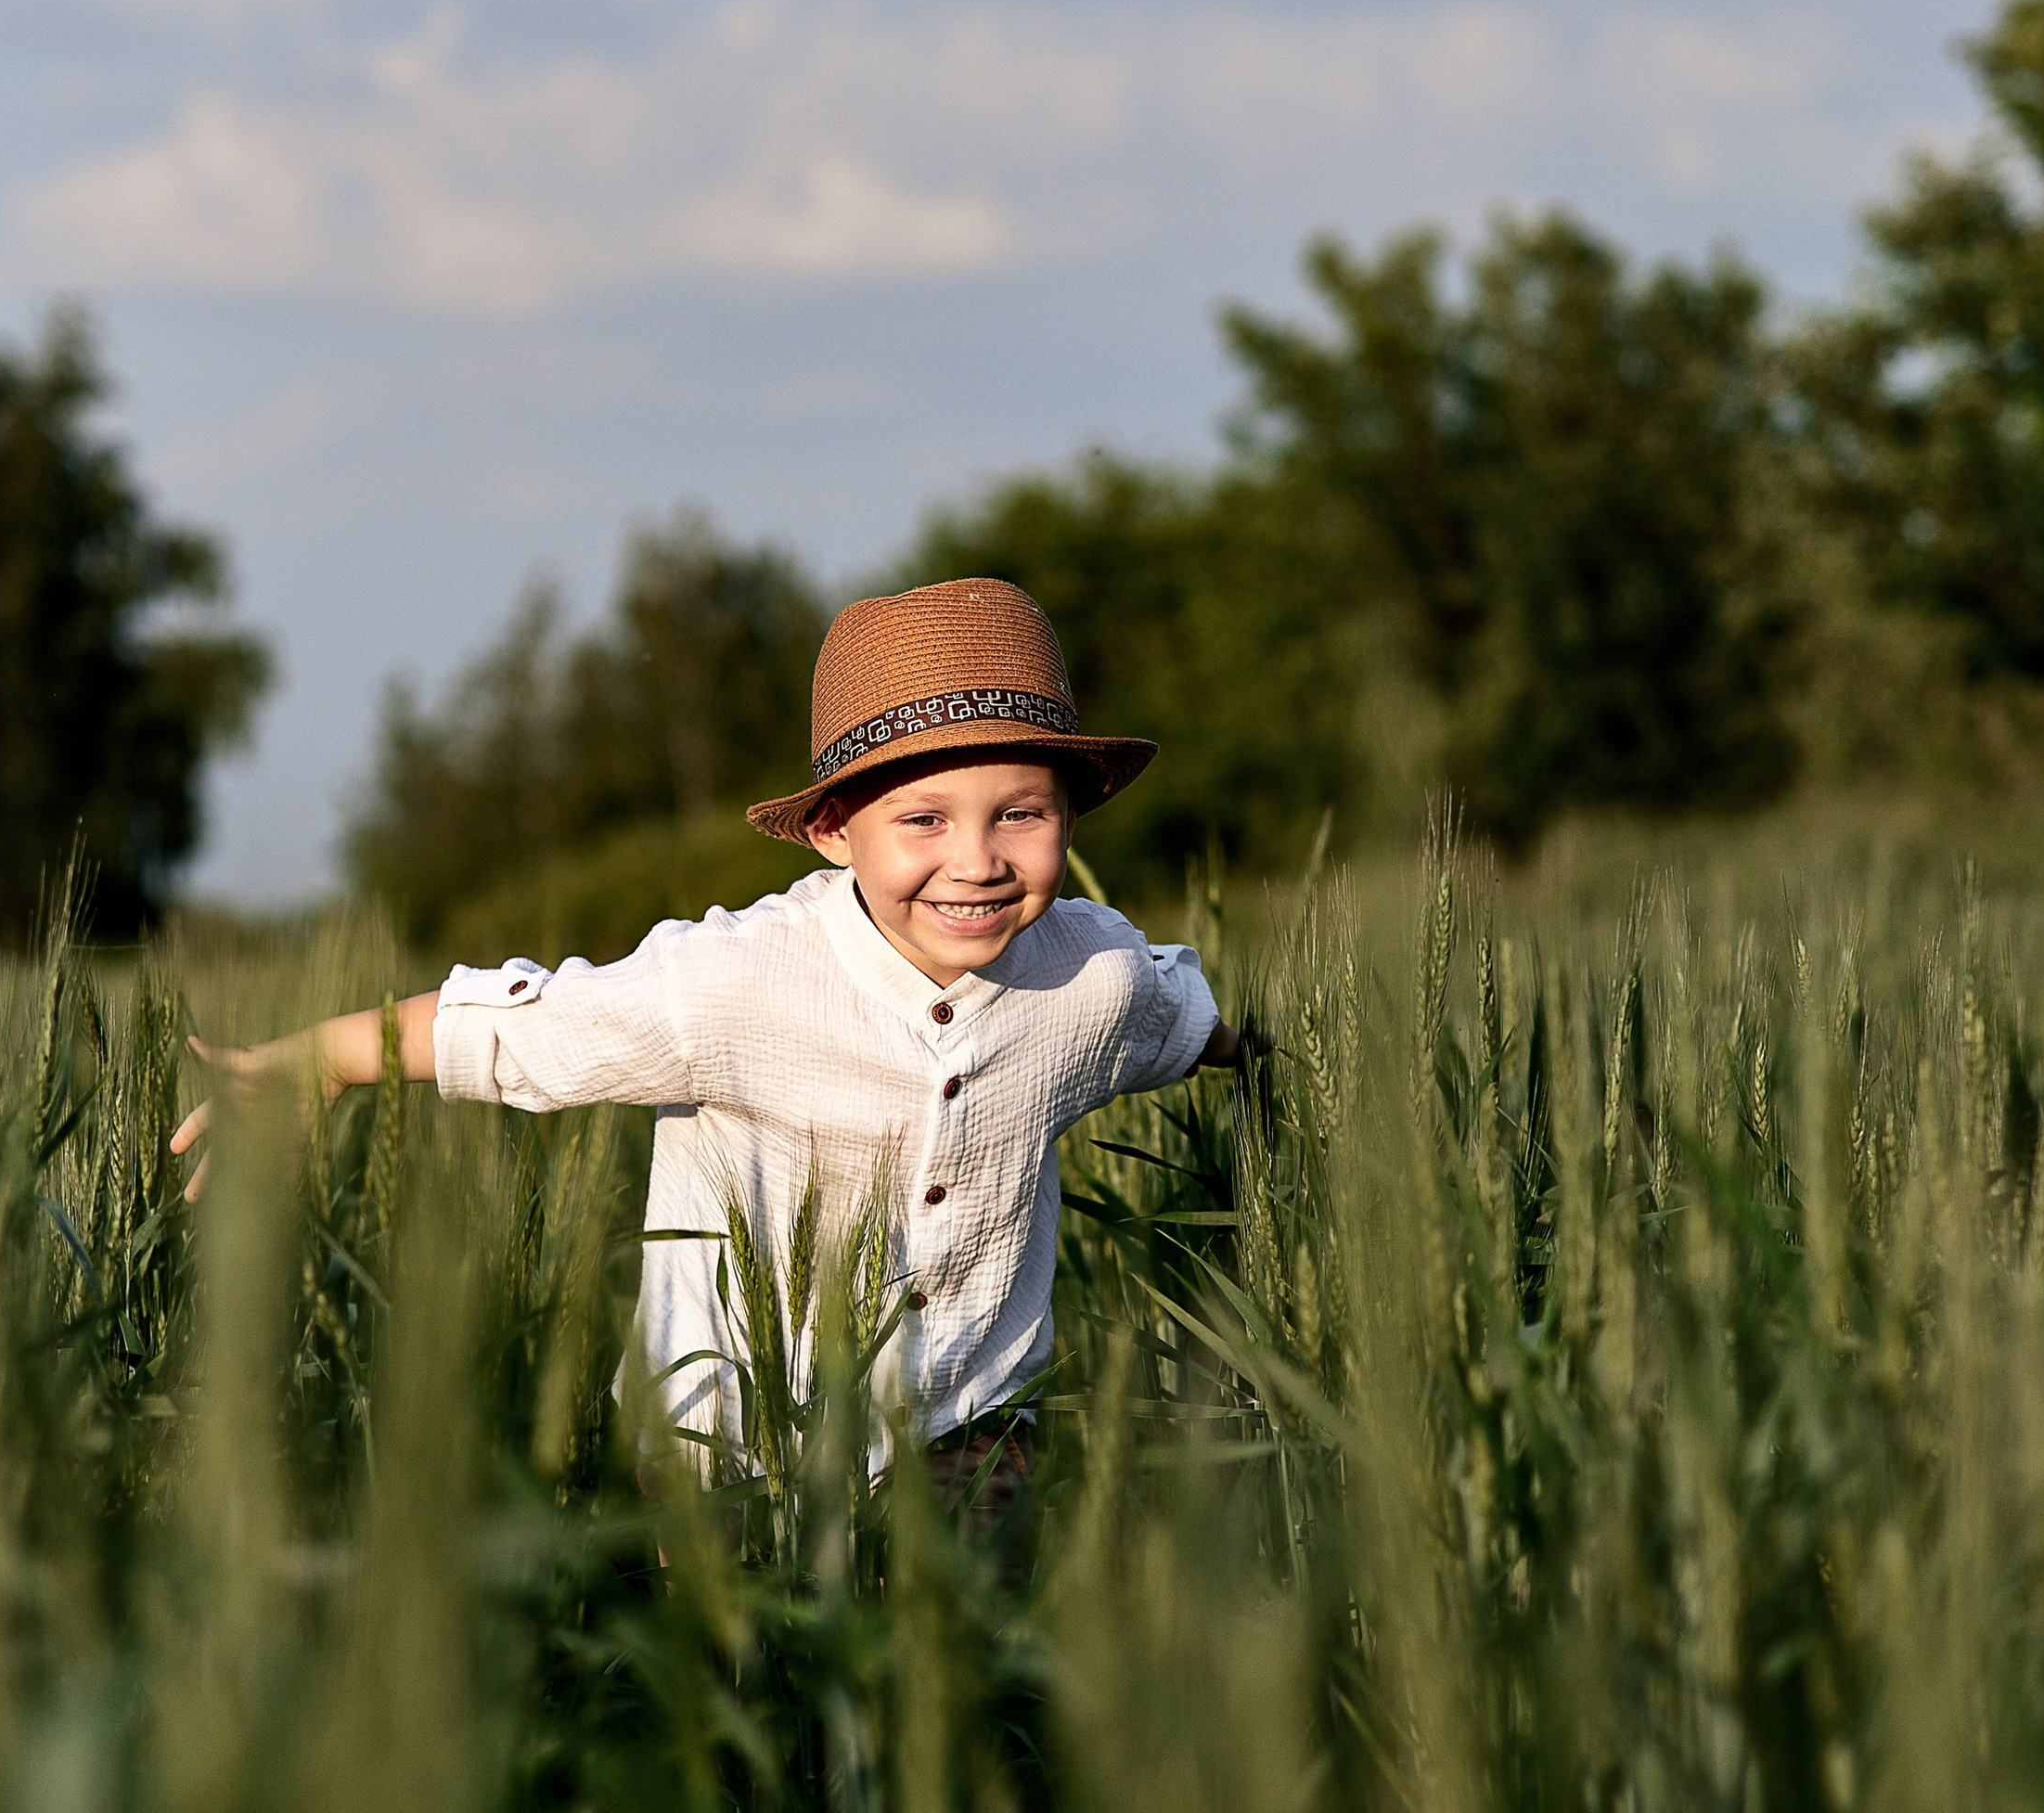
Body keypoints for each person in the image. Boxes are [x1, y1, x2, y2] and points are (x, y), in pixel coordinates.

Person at [171, 576, 1249, 1517]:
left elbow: (1186, 1023)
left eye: (1019, 814)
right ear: (834, 831)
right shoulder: (729, 982)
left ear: (1071, 815)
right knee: (755, 1705)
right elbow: (522, 1031)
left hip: (973, 1429)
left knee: (961, 1700)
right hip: (731, 1448)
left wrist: (1267, 1057)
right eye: (924, 820)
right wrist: (319, 1061)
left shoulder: (1092, 981)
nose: (974, 860)